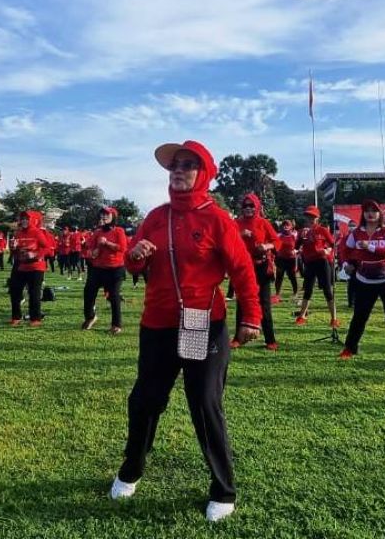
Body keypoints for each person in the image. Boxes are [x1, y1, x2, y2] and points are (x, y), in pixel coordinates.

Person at [110, 140, 260, 523]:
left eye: (188, 165)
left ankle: (223, 489)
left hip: (201, 323)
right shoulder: (156, 217)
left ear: (204, 173)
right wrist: (135, 257)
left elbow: (242, 270)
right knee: (145, 400)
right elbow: (133, 266)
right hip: (157, 324)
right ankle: (131, 469)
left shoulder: (217, 218)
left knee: (204, 404)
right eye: (175, 165)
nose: (178, 171)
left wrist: (251, 317)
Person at [340, 200, 385, 364]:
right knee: (359, 317)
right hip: (364, 281)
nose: (370, 213)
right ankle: (349, 348)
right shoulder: (356, 233)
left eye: (374, 210)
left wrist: (370, 247)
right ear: (363, 214)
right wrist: (346, 264)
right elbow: (345, 251)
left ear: (380, 214)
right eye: (367, 210)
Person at [233, 193, 278, 350]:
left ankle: (270, 340)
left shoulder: (263, 223)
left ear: (257, 207)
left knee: (264, 304)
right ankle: (238, 338)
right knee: (241, 302)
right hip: (243, 268)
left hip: (261, 267)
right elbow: (227, 239)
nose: (248, 209)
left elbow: (276, 241)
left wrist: (266, 246)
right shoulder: (236, 222)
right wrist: (240, 234)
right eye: (245, 206)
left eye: (251, 205)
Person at [82, 206, 128, 334]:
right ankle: (90, 317)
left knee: (114, 296)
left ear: (113, 217)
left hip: (115, 269)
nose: (103, 217)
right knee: (88, 293)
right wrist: (92, 252)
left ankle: (116, 325)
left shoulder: (119, 231)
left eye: (107, 215)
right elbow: (89, 248)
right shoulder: (97, 232)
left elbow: (122, 248)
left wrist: (107, 243)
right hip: (98, 269)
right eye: (102, 215)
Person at [293, 205, 338, 328]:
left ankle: (334, 318)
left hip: (322, 262)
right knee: (308, 290)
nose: (310, 219)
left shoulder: (323, 230)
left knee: (327, 290)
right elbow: (296, 247)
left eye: (313, 217)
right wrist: (296, 250)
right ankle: (302, 316)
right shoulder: (302, 232)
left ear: (317, 218)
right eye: (308, 216)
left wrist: (327, 250)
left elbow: (333, 244)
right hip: (309, 264)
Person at [8, 211, 53, 326]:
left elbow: (47, 248)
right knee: (15, 291)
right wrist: (13, 247)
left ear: (32, 220)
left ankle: (35, 318)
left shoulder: (37, 232)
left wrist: (35, 254)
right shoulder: (18, 233)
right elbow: (15, 252)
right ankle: (16, 317)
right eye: (22, 219)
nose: (23, 221)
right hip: (22, 266)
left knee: (34, 293)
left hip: (36, 267)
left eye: (26, 219)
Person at [272, 220, 299, 304]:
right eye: (284, 225)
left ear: (291, 227)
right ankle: (277, 294)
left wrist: (295, 251)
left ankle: (295, 293)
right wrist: (276, 254)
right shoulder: (278, 235)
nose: (285, 226)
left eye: (287, 225)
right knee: (279, 277)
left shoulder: (295, 235)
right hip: (281, 259)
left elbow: (300, 245)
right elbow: (274, 246)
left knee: (292, 277)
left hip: (291, 259)